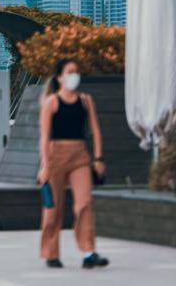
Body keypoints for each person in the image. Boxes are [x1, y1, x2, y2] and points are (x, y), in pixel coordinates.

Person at [37, 58, 109, 269]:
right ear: (59, 77)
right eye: (69, 72)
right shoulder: (51, 102)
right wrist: (45, 166)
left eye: (76, 71)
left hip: (79, 155)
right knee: (54, 208)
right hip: (55, 155)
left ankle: (88, 252)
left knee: (84, 204)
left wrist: (98, 158)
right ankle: (51, 253)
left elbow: (95, 130)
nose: (74, 75)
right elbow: (44, 136)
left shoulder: (86, 100)